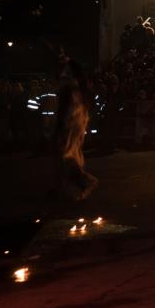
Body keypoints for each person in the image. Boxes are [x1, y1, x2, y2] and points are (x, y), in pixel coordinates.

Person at [52, 58, 99, 201]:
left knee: (66, 155)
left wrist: (63, 126)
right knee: (67, 155)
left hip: (71, 125)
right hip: (74, 124)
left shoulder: (71, 89)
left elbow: (70, 110)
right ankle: (63, 187)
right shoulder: (76, 87)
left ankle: (85, 181)